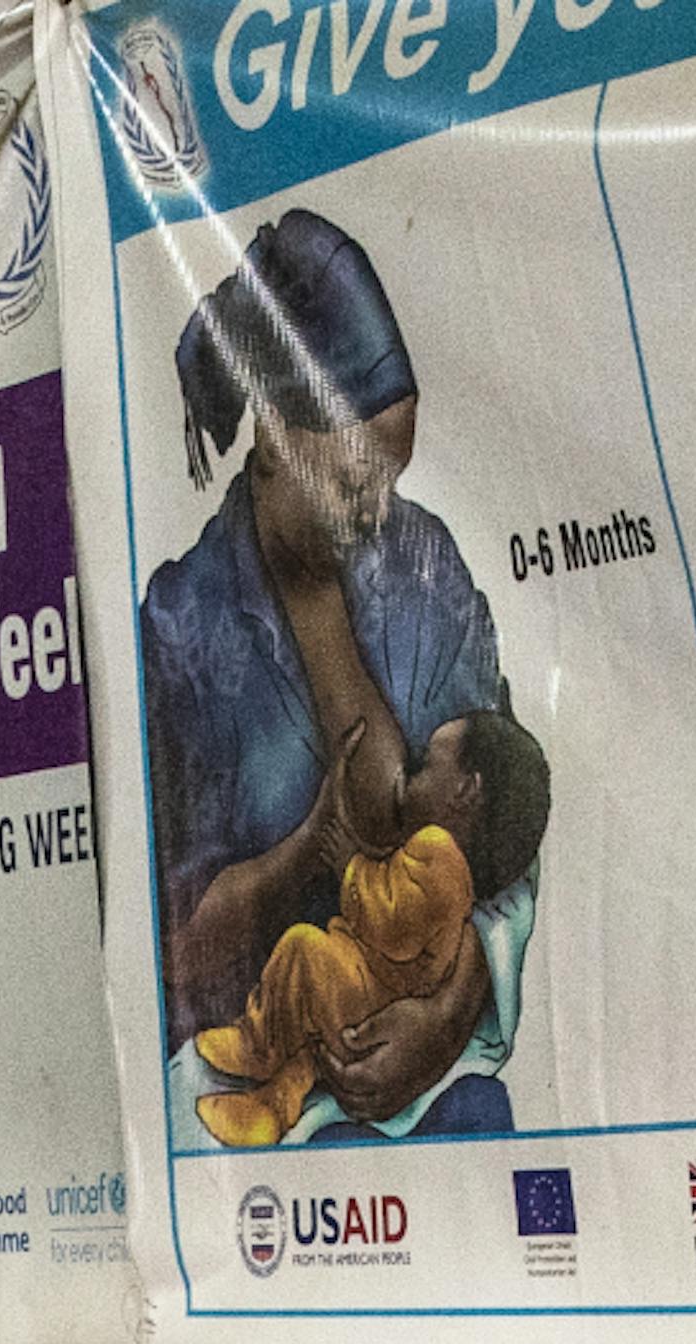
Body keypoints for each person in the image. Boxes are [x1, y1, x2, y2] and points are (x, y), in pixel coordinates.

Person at [139, 209, 548, 1144]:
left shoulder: (427, 573)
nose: (380, 510)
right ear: (276, 434)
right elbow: (169, 951)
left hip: (437, 1085)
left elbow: (514, 821)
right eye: (359, 476)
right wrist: (308, 855)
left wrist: (446, 1017)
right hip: (255, 1104)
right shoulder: (179, 631)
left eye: (395, 476)